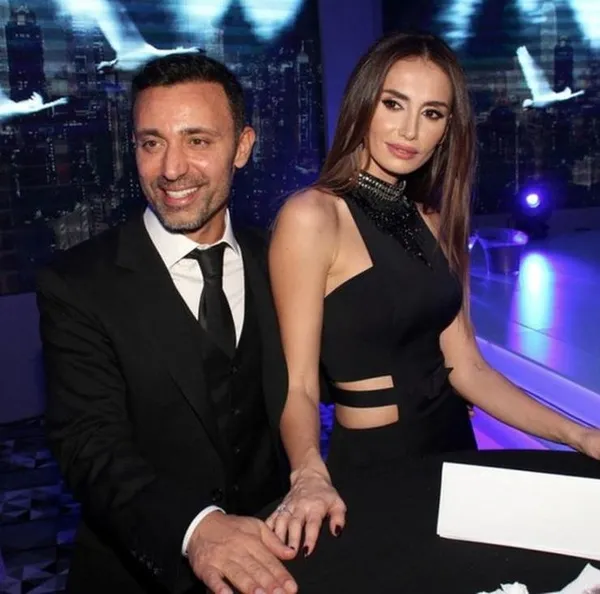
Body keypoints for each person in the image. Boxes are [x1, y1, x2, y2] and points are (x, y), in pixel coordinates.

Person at [266, 32, 600, 556]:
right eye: (393, 104)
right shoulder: (312, 217)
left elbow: (469, 369)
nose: (409, 131)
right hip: (376, 464)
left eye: (432, 114)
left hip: (453, 447)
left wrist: (580, 434)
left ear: (448, 128)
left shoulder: (435, 218)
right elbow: (300, 387)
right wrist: (308, 472)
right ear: (363, 102)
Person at [37, 54, 298, 594]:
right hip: (140, 576)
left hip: (274, 558)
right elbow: (89, 446)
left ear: (243, 147)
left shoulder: (279, 259)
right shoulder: (78, 283)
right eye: (151, 143)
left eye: (197, 140)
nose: (171, 169)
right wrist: (195, 529)